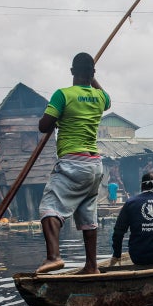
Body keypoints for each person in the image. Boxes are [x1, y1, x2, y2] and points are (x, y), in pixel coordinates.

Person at [37, 52, 110, 274]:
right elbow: (104, 95)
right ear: (93, 73)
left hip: (72, 161)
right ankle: (91, 266)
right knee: (88, 214)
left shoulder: (62, 95)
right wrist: (92, 76)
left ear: (71, 72)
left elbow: (44, 125)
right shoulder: (101, 99)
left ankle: (54, 257)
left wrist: (57, 117)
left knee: (49, 207)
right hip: (94, 165)